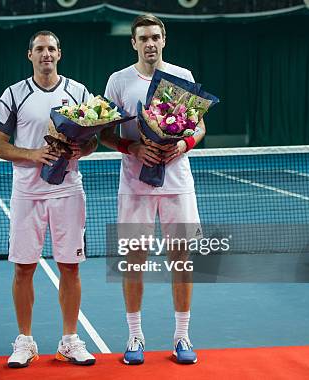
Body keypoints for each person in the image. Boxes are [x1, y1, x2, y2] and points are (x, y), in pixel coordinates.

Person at [100, 14, 205, 365]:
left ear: (164, 40)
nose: (150, 43)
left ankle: (182, 337)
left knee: (182, 260)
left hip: (177, 182)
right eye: (143, 38)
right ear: (134, 43)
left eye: (155, 37)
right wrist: (131, 148)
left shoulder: (182, 77)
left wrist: (184, 144)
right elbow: (103, 132)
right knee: (134, 260)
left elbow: (199, 125)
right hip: (134, 184)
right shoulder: (118, 81)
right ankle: (135, 337)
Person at [0, 30, 98, 368]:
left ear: (59, 54)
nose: (46, 54)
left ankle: (69, 341)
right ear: (30, 55)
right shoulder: (13, 94)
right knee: (24, 268)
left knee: (70, 266)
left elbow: (94, 139)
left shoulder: (79, 92)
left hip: (68, 191)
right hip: (27, 194)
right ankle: (25, 341)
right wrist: (33, 154)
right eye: (40, 49)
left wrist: (84, 147)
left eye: (51, 48)